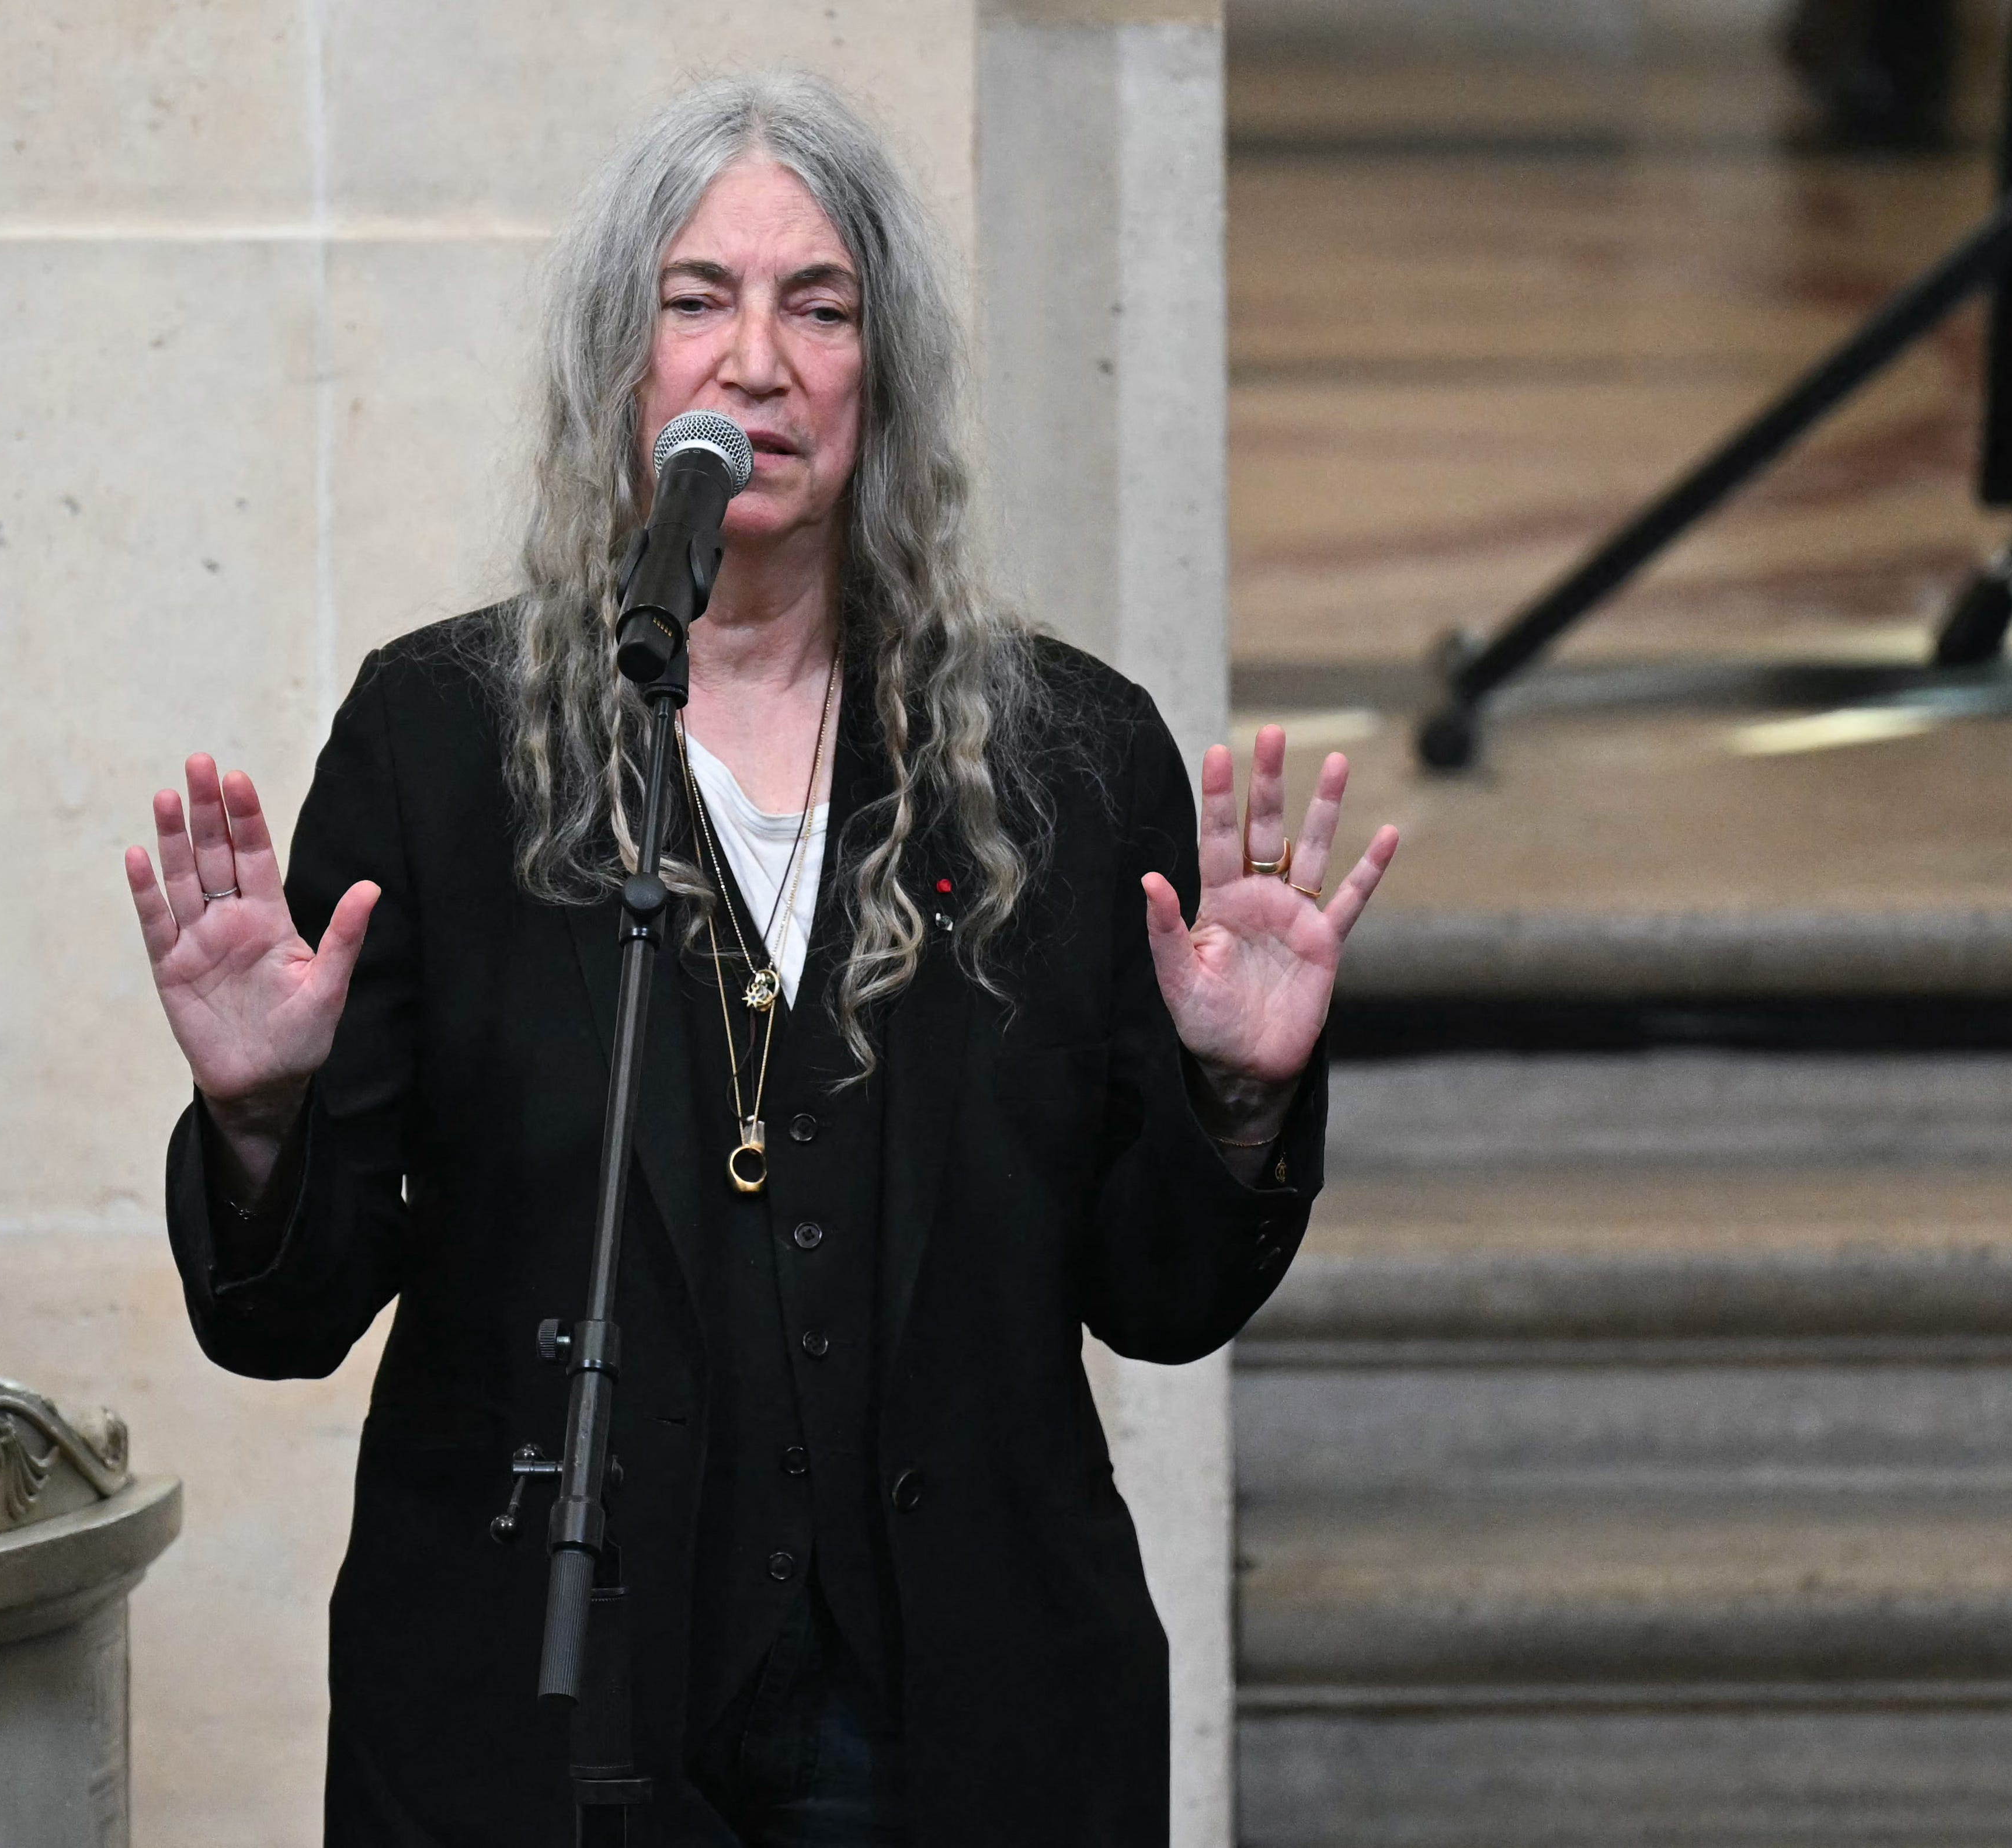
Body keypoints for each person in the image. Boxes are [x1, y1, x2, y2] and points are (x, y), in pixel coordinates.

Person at [124, 73, 1396, 1847]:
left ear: (884, 378)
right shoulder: (441, 742)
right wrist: (258, 1117)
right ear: (619, 367)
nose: (756, 361)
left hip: (957, 1709)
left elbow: (1161, 1301)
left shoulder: (1069, 758)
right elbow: (291, 1317)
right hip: (548, 1691)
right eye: (696, 300)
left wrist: (1240, 1097)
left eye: (819, 305)